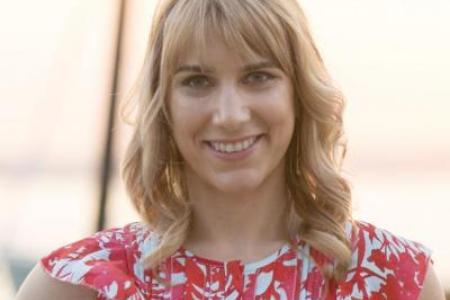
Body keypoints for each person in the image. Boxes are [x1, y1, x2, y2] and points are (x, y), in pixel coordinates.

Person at [16, 0, 445, 299]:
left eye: (258, 76)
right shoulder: (80, 285)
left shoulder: (393, 279)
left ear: (299, 94)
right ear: (163, 105)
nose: (230, 114)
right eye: (197, 81)